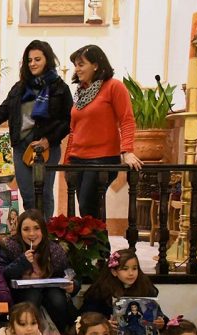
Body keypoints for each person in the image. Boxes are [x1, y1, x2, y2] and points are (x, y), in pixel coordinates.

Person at [0, 40, 71, 217]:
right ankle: (32, 231)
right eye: (29, 60)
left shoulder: (60, 88)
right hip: (21, 147)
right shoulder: (19, 88)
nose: (32, 63)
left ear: (47, 60)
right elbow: (2, 112)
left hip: (45, 148)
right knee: (27, 193)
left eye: (37, 59)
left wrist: (48, 140)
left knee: (44, 193)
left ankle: (45, 232)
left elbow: (67, 121)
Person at [65, 44, 143, 217]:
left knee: (88, 205)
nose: (77, 69)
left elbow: (127, 120)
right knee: (87, 211)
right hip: (77, 159)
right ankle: (96, 244)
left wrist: (127, 151)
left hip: (102, 158)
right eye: (75, 65)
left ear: (96, 65)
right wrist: (67, 161)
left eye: (81, 64)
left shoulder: (114, 87)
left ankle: (99, 245)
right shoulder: (80, 93)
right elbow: (74, 130)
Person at [0, 209, 79, 335]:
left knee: (56, 299)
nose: (32, 234)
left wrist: (73, 285)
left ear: (43, 231)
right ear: (20, 231)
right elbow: (0, 273)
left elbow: (70, 273)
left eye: (36, 228)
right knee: (32, 297)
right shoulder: (11, 247)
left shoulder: (54, 250)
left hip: (49, 289)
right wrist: (22, 262)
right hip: (20, 292)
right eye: (26, 229)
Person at [80, 248, 165, 322]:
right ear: (114, 272)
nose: (131, 273)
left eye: (135, 268)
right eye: (125, 269)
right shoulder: (101, 290)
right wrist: (104, 323)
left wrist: (161, 322)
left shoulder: (145, 287)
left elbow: (158, 315)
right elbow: (86, 317)